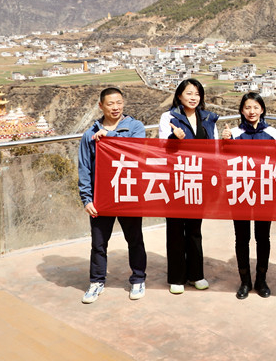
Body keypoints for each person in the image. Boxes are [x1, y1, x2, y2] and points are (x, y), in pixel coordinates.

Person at [77, 87, 148, 303]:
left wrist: (111, 137)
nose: (115, 107)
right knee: (99, 243)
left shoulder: (135, 127)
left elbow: (137, 150)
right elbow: (84, 168)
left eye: (119, 103)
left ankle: (138, 279)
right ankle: (96, 281)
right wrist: (87, 199)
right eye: (110, 104)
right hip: (102, 197)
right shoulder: (89, 135)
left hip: (128, 194)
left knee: (134, 239)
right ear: (101, 106)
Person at [158, 78, 219, 295]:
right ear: (179, 96)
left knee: (194, 229)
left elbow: (215, 149)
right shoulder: (169, 117)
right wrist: (174, 138)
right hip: (175, 180)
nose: (193, 98)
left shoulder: (208, 118)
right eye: (189, 93)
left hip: (198, 180)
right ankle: (176, 277)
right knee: (175, 229)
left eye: (197, 94)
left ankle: (196, 274)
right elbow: (162, 147)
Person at [220, 92, 276, 299]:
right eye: (247, 107)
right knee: (242, 237)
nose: (252, 111)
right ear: (241, 110)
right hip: (240, 190)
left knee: (263, 237)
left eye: (255, 107)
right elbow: (223, 161)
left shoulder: (273, 133)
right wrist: (225, 142)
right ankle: (245, 280)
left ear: (262, 109)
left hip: (265, 191)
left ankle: (261, 280)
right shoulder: (234, 133)